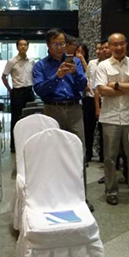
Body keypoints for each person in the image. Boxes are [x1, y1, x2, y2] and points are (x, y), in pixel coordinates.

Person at [33, 28, 92, 211]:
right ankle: (56, 195)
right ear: (48, 45)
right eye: (56, 44)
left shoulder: (75, 61)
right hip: (53, 109)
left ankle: (81, 197)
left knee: (78, 152)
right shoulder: (41, 65)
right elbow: (39, 89)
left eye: (62, 44)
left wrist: (75, 73)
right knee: (54, 152)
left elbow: (84, 86)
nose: (60, 47)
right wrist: (56, 77)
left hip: (74, 110)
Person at [96, 33, 129, 205]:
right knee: (110, 157)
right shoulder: (103, 66)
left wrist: (115, 85)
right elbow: (102, 90)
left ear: (126, 44)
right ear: (109, 47)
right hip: (110, 117)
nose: (118, 47)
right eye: (114, 44)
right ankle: (111, 190)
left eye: (121, 44)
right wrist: (128, 85)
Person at [2, 38, 35, 153]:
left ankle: (30, 143)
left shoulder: (32, 61)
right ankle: (14, 146)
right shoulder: (12, 61)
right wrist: (9, 89)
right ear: (17, 47)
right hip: (17, 92)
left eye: (25, 45)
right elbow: (4, 76)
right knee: (16, 119)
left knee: (31, 118)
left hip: (29, 91)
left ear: (28, 47)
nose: (23, 47)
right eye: (21, 45)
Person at [77, 43, 97, 164]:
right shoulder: (71, 64)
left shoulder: (91, 64)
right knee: (83, 127)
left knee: (90, 127)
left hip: (91, 97)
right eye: (77, 51)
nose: (79, 54)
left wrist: (83, 61)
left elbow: (89, 77)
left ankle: (90, 152)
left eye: (82, 51)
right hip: (80, 99)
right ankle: (84, 152)